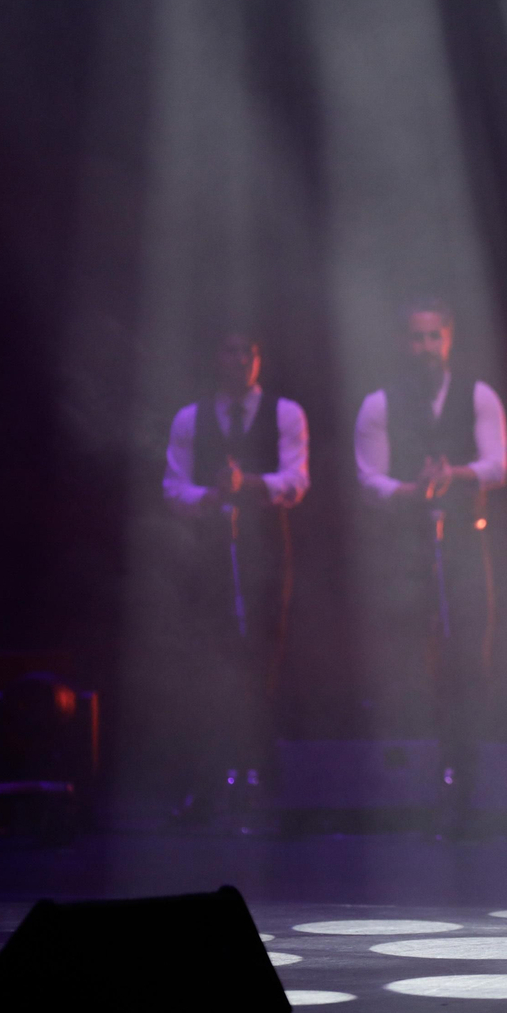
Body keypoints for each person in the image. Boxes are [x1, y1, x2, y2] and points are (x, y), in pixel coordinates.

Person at [162, 327, 309, 817]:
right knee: (209, 662)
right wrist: (209, 497)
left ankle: (261, 777)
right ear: (217, 359)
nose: (239, 361)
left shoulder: (285, 414)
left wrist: (249, 484)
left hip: (265, 552)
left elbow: (296, 479)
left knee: (262, 659)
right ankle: (207, 779)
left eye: (248, 353)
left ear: (258, 360)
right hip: (208, 554)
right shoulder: (190, 418)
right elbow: (172, 487)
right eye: (230, 352)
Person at [354, 302, 507, 765]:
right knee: (410, 654)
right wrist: (411, 491)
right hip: (404, 545)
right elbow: (368, 479)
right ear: (405, 343)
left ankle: (469, 762)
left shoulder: (479, 396)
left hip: (464, 538)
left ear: (449, 339)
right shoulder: (379, 403)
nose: (425, 348)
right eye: (417, 338)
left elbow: (497, 466)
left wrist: (454, 474)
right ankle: (416, 765)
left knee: (469, 648)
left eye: (433, 337)